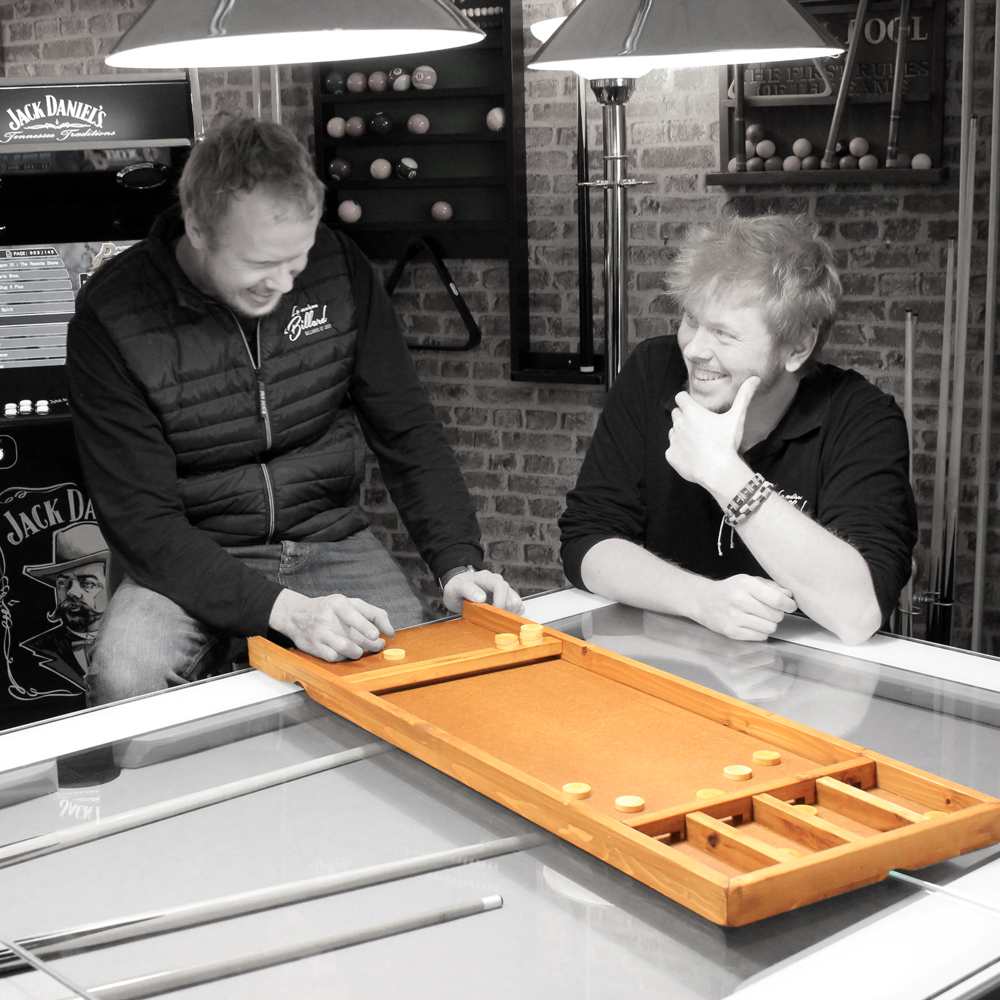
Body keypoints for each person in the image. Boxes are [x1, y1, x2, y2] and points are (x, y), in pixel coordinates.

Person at [67, 117, 522, 704]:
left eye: (296, 260)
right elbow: (144, 525)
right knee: (125, 675)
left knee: (417, 685)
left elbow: (408, 431)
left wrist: (457, 565)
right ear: (198, 228)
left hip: (327, 537)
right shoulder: (112, 315)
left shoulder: (338, 267)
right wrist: (286, 611)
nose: (282, 285)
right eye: (260, 265)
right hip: (191, 552)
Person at [559, 213, 916, 645]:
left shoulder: (862, 418)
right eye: (691, 320)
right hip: (669, 654)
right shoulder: (653, 372)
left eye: (724, 334)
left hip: (804, 675)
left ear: (798, 346)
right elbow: (587, 542)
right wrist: (700, 599)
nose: (694, 349)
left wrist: (725, 474)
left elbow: (858, 613)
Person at [20, 522, 109, 692]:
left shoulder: (137, 641)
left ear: (111, 584)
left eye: (87, 583)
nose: (72, 592)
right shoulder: (32, 651)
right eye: (63, 583)